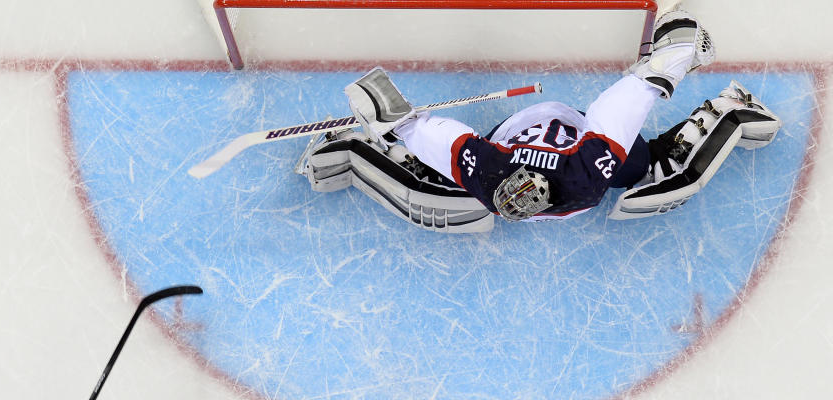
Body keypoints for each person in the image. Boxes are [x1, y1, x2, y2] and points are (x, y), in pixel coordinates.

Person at [300, 10, 781, 232]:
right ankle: (727, 110)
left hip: (527, 130)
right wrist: (665, 67)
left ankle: (361, 149)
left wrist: (397, 123)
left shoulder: (490, 175)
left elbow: (445, 140)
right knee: (645, 166)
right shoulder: (581, 178)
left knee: (435, 176)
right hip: (572, 129)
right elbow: (611, 117)